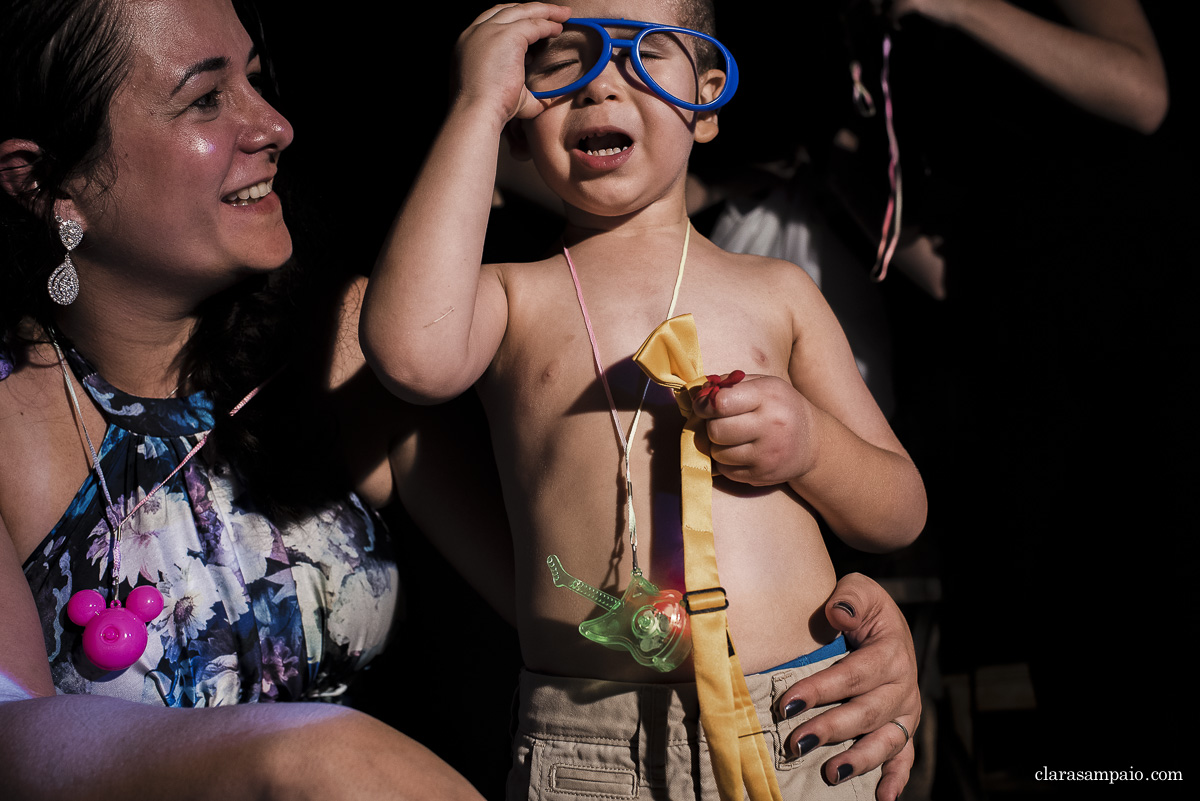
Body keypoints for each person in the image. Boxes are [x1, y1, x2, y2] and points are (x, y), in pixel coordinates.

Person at [0, 0, 923, 798]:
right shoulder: (488, 307)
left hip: (764, 717)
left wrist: (849, 637)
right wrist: (304, 757)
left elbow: (592, 588)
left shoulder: (338, 343)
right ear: (43, 181)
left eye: (258, 77)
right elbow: (11, 744)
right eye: (205, 97)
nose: (275, 123)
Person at [359, 1, 926, 798]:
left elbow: (899, 510)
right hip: (590, 744)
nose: (602, 83)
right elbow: (407, 353)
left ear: (709, 96)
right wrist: (474, 107)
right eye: (563, 58)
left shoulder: (779, 292)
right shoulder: (511, 297)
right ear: (519, 117)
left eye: (647, 50)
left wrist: (812, 446)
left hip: (795, 717)